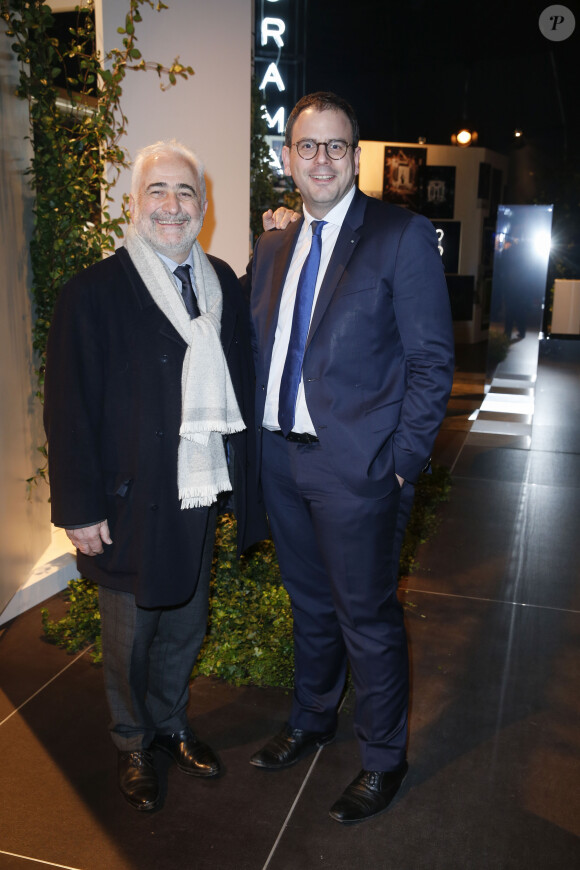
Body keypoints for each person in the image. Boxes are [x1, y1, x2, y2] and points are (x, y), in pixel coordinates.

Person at [247, 93, 455, 824]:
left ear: (355, 155)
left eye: (337, 146)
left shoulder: (401, 236)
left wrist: (400, 462)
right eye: (309, 146)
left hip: (359, 470)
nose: (322, 159)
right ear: (287, 158)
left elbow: (432, 361)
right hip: (282, 462)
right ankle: (310, 720)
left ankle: (381, 759)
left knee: (365, 617)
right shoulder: (272, 245)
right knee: (310, 608)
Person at [43, 140, 268, 812]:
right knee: (130, 637)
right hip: (127, 499)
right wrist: (79, 509)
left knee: (185, 625)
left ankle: (170, 723)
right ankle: (132, 741)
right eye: (158, 192)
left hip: (196, 492)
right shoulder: (93, 292)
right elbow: (69, 408)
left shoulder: (221, 281)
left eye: (185, 193)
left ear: (203, 207)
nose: (173, 206)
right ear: (134, 204)